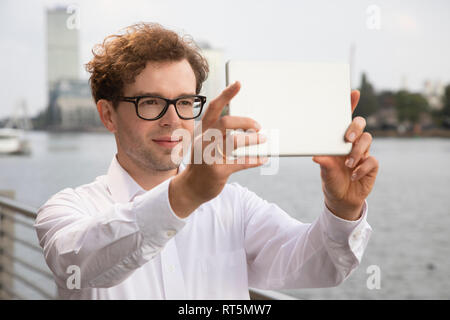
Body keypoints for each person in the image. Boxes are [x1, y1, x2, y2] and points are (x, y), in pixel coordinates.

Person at [34, 22, 379, 300]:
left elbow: (322, 267)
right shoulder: (67, 209)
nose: (172, 120)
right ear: (108, 115)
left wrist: (342, 209)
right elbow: (78, 263)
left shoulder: (235, 206)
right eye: (151, 102)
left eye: (185, 102)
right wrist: (185, 195)